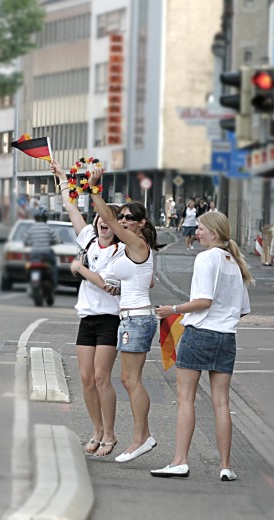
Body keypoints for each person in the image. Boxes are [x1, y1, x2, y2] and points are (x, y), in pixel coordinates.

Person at [153, 212, 253, 481]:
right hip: (226, 338)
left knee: (186, 399)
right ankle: (225, 466)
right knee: (221, 403)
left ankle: (180, 461)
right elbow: (242, 310)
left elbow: (203, 301)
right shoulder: (235, 262)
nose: (196, 232)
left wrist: (171, 309)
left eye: (200, 228)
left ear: (214, 233)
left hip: (199, 334)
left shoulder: (206, 258)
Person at [88, 168, 163, 463]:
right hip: (130, 316)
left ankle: (140, 438)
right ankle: (142, 436)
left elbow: (105, 218)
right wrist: (119, 285)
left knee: (131, 380)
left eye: (129, 217)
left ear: (141, 223)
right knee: (129, 379)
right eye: (122, 217)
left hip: (137, 318)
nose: (122, 221)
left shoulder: (136, 243)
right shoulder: (133, 247)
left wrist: (94, 190)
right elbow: (150, 280)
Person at [51, 162, 126, 457]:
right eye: (99, 220)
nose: (102, 224)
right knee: (85, 378)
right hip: (87, 319)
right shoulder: (90, 241)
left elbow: (107, 285)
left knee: (100, 377)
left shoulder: (122, 252)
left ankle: (110, 434)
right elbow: (72, 210)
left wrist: (80, 268)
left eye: (108, 220)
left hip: (110, 319)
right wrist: (63, 181)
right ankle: (96, 430)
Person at [24, 206, 59, 289]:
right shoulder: (48, 228)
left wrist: (29, 244)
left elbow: (26, 241)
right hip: (46, 253)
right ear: (46, 217)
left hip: (34, 253)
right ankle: (54, 282)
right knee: (54, 263)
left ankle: (29, 281)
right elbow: (54, 240)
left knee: (28, 265)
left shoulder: (31, 228)